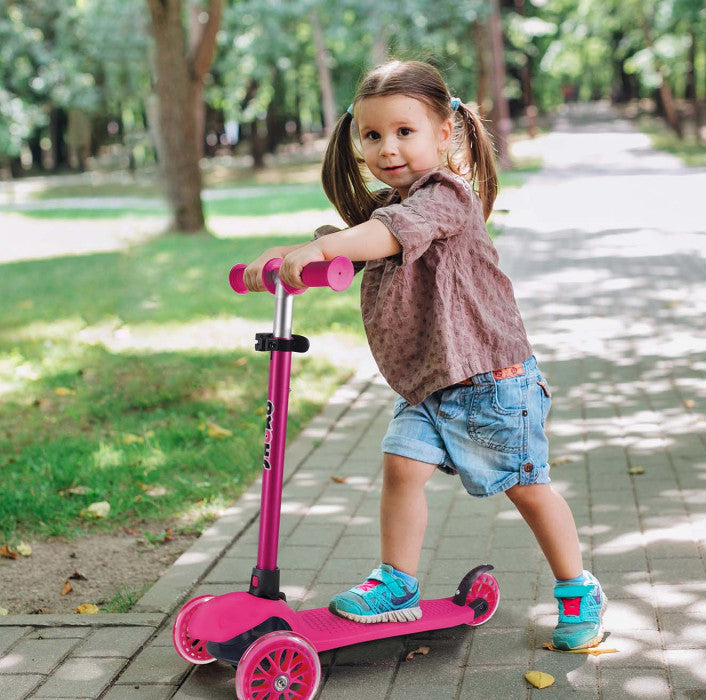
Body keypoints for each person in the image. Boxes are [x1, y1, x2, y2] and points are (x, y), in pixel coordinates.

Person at [243, 60, 606, 650]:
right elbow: (368, 236)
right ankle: (397, 583)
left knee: (527, 487)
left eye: (404, 132)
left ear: (444, 133)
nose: (387, 147)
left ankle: (577, 587)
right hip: (432, 382)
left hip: (491, 379)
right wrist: (291, 252)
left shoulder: (445, 196)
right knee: (400, 467)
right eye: (372, 135)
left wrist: (328, 245)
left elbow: (384, 236)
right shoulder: (394, 204)